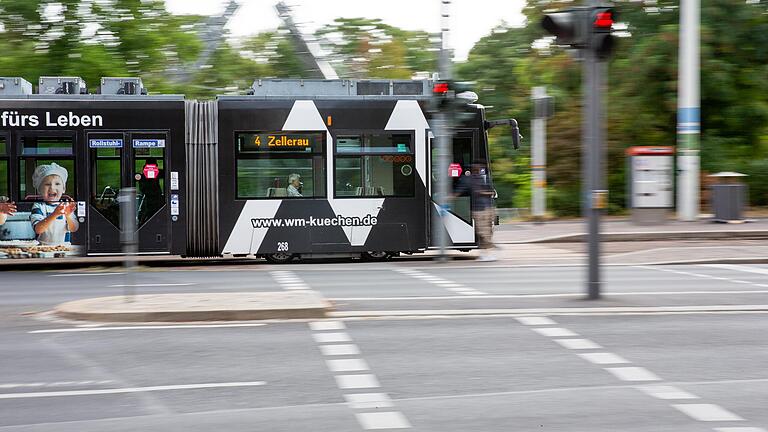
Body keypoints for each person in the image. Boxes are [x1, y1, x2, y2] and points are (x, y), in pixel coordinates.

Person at [454, 163, 497, 261]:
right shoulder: (473, 179)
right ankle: (486, 254)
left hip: (484, 209)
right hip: (481, 210)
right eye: (478, 168)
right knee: (483, 233)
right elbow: (484, 192)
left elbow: (459, 192)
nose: (479, 170)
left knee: (484, 232)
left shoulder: (477, 179)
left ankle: (486, 254)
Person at [30, 163, 78, 245]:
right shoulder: (38, 206)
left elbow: (74, 228)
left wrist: (68, 215)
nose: (52, 187)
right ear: (39, 190)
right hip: (42, 248)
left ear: (63, 189)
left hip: (64, 248)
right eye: (47, 184)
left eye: (57, 184)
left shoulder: (66, 205)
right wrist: (55, 214)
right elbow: (38, 229)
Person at [137, 158, 164, 226]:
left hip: (148, 197)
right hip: (156, 197)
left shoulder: (143, 173)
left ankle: (142, 223)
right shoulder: (157, 172)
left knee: (146, 213)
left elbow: (142, 187)